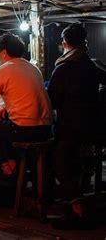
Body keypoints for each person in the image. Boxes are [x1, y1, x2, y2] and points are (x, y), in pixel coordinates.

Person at [47, 24, 106, 228]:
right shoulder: (92, 65)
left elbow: (52, 100)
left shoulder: (63, 67)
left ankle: (76, 205)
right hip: (93, 125)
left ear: (65, 43)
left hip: (70, 125)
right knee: (80, 161)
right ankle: (80, 198)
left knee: (59, 160)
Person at [0, 33, 53, 177]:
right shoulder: (33, 69)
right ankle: (13, 162)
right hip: (46, 130)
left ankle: (4, 165)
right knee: (5, 123)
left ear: (4, 52)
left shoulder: (0, 71)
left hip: (24, 131)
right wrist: (5, 107)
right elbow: (24, 95)